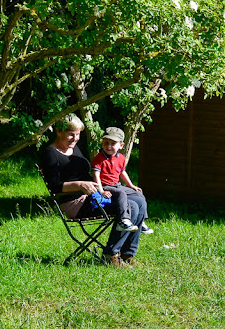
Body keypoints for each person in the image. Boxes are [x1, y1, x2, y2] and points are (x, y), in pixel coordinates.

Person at [39, 114, 145, 267]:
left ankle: (128, 253)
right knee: (131, 206)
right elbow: (54, 187)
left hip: (93, 195)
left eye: (78, 134)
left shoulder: (74, 148)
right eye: (71, 134)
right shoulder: (50, 154)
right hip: (75, 202)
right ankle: (111, 254)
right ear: (59, 131)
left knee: (139, 201)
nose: (75, 138)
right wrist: (80, 185)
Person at [92, 126, 154, 235]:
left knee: (138, 193)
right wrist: (101, 191)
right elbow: (96, 175)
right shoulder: (99, 158)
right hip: (106, 186)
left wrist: (131, 185)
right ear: (102, 143)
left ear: (121, 145)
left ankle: (141, 221)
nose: (109, 146)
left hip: (117, 185)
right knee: (121, 194)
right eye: (106, 143)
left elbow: (122, 172)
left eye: (113, 143)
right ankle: (123, 220)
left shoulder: (121, 158)